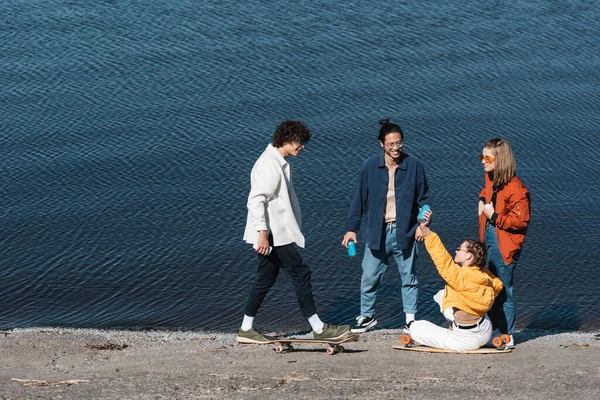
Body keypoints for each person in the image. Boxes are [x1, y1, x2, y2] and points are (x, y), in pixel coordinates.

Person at [237, 120, 350, 344]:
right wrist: (262, 234)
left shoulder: (278, 161)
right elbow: (256, 201)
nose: (302, 146)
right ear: (287, 140)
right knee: (301, 273)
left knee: (266, 277)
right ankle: (318, 328)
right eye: (300, 142)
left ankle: (245, 329)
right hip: (272, 235)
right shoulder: (269, 165)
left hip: (274, 233)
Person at [342, 119, 430, 333]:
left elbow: (425, 199)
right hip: (377, 232)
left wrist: (423, 223)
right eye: (391, 144)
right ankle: (367, 316)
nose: (396, 148)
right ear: (381, 144)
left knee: (408, 277)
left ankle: (410, 319)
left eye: (399, 143)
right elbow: (359, 200)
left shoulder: (414, 165)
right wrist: (351, 228)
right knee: (369, 276)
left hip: (405, 231)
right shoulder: (370, 166)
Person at [408, 210, 504, 351]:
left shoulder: (459, 276)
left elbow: (442, 259)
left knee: (415, 327)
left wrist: (426, 231)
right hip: (485, 331)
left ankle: (452, 329)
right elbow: (499, 285)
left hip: (465, 340)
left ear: (469, 257)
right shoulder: (486, 276)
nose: (456, 250)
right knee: (442, 295)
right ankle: (458, 325)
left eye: (460, 249)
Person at [478, 138, 531, 347]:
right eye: (482, 156)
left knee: (503, 290)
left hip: (505, 243)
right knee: (490, 285)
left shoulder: (517, 189)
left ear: (500, 160)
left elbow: (521, 221)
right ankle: (491, 330)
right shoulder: (491, 177)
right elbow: (486, 193)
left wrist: (494, 217)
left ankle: (508, 336)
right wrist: (482, 201)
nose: (483, 161)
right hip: (490, 236)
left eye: (488, 157)